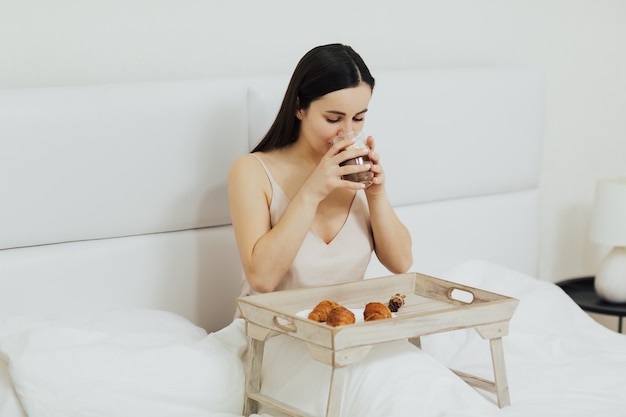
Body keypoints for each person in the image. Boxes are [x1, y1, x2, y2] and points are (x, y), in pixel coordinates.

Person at [228, 43, 412, 296]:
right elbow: (262, 279)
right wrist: (312, 191)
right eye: (333, 119)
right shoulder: (251, 171)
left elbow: (402, 263)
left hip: (343, 330)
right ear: (298, 108)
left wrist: (376, 194)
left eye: (358, 118)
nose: (348, 131)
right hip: (273, 331)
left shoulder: (357, 173)